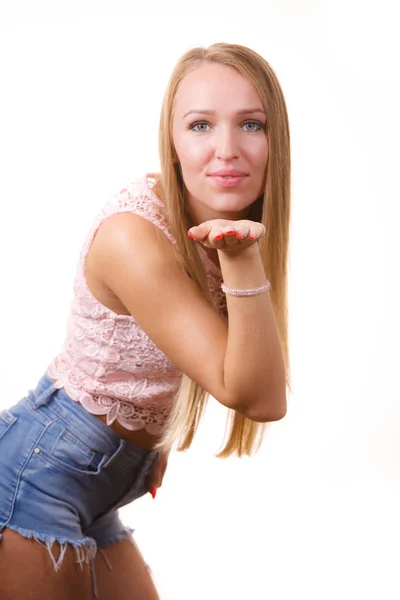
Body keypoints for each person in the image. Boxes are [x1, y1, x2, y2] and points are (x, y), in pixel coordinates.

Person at [0, 42, 291, 599]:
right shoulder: (135, 237)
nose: (226, 149)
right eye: (201, 125)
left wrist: (147, 445)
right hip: (38, 474)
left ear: (277, 141)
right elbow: (259, 397)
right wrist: (242, 257)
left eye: (250, 124)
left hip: (105, 480)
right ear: (173, 141)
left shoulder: (217, 224)